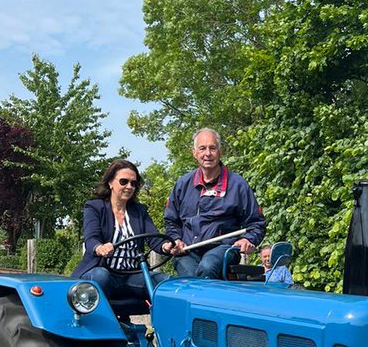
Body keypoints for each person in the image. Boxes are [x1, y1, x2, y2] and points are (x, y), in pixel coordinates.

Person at [164, 128, 266, 278]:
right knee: (189, 274)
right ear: (194, 153)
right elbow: (171, 221)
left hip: (223, 248)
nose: (207, 154)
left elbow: (257, 223)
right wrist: (176, 240)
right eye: (202, 148)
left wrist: (248, 239)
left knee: (207, 267)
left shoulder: (238, 185)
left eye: (212, 148)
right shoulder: (183, 184)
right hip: (188, 250)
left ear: (220, 151)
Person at [72, 160, 172, 309]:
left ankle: (165, 329)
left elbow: (153, 239)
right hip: (102, 271)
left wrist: (167, 246)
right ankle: (99, 325)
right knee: (101, 276)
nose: (129, 187)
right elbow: (91, 239)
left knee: (167, 283)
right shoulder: (94, 207)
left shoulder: (139, 211)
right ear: (111, 183)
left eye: (133, 183)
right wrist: (100, 248)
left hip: (132, 275)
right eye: (124, 181)